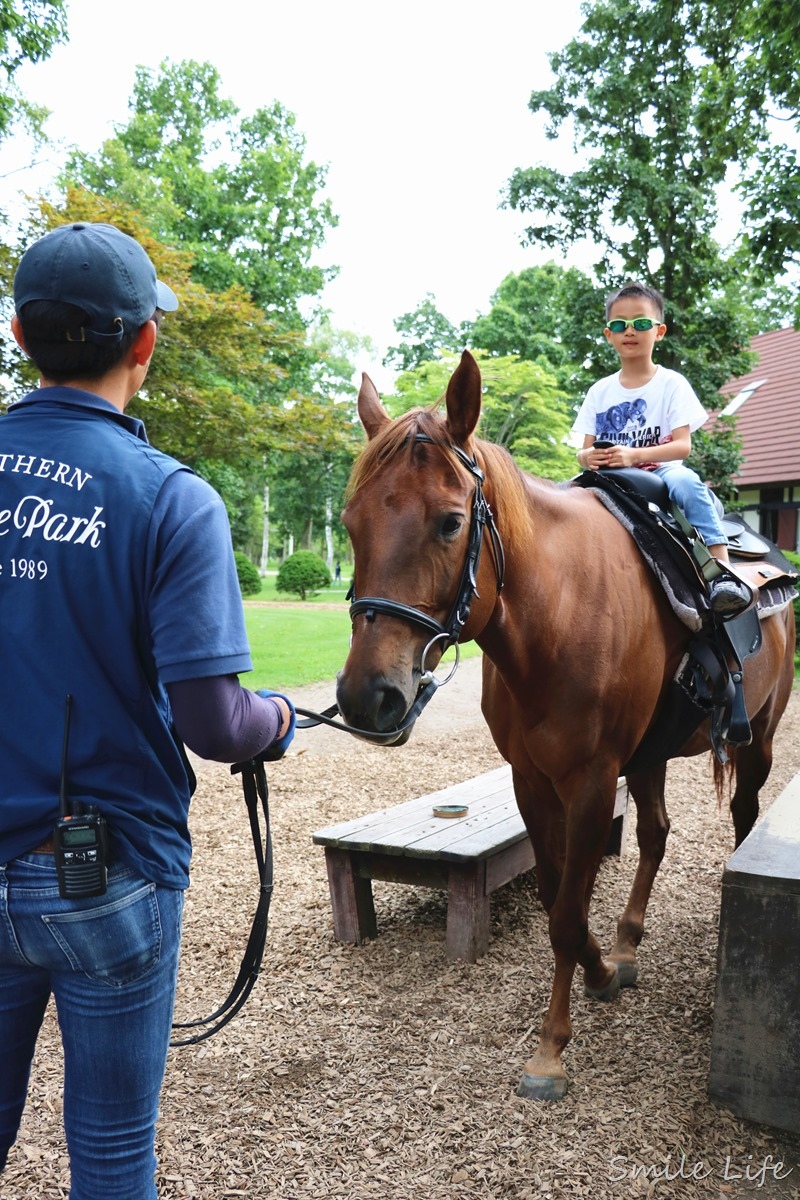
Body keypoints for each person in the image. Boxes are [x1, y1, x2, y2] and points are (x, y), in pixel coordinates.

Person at [0, 222, 297, 1200]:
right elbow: (214, 723)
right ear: (145, 344)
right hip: (105, 877)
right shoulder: (172, 500)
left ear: (18, 332)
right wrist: (277, 723)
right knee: (113, 1150)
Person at [572, 281, 752, 617]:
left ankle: (721, 571)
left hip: (659, 470)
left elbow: (682, 447)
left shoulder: (671, 383)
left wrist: (633, 455)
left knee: (686, 483)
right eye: (619, 325)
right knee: (563, 494)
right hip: (611, 474)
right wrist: (588, 457)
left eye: (641, 323)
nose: (630, 331)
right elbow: (583, 450)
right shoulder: (599, 391)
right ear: (608, 334)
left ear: (659, 331)